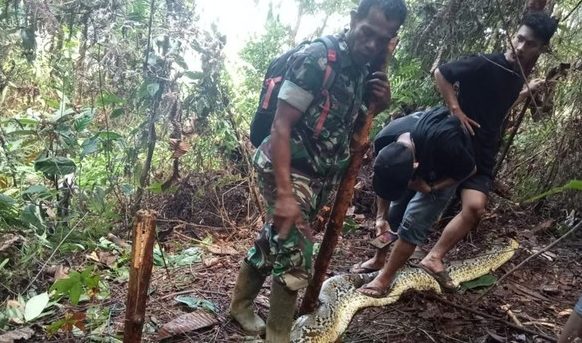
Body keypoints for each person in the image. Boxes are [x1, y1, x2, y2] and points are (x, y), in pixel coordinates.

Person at [228, 1, 407, 341]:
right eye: (367, 32)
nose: (371, 44)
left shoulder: (363, 68)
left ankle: (239, 306)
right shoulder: (317, 59)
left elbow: (344, 127)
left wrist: (378, 104)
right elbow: (280, 126)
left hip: (317, 173)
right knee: (296, 257)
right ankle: (279, 335)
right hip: (285, 166)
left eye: (382, 39)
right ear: (354, 19)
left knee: (276, 239)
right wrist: (284, 194)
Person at [358, 11, 558, 295]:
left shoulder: (518, 74)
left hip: (479, 152)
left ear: (541, 48)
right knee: (408, 205)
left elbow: (497, 108)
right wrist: (456, 109)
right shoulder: (485, 63)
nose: (522, 47)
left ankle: (433, 258)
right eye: (520, 39)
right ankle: (382, 269)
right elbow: (442, 72)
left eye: (531, 44)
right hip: (451, 146)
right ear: (513, 34)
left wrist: (525, 92)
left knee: (474, 208)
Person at [351, 107, 476, 296]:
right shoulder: (385, 139)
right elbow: (385, 181)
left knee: (413, 222)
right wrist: (380, 217)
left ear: (415, 166)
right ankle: (378, 259)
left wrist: (431, 188)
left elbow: (469, 170)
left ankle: (385, 278)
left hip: (444, 173)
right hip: (416, 160)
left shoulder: (447, 143)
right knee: (392, 215)